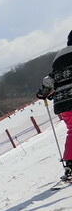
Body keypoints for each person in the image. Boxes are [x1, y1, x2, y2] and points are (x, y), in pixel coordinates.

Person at [37, 29, 72, 181]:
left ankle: (70, 164)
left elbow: (48, 81)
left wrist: (43, 94)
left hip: (63, 104)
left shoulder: (58, 60)